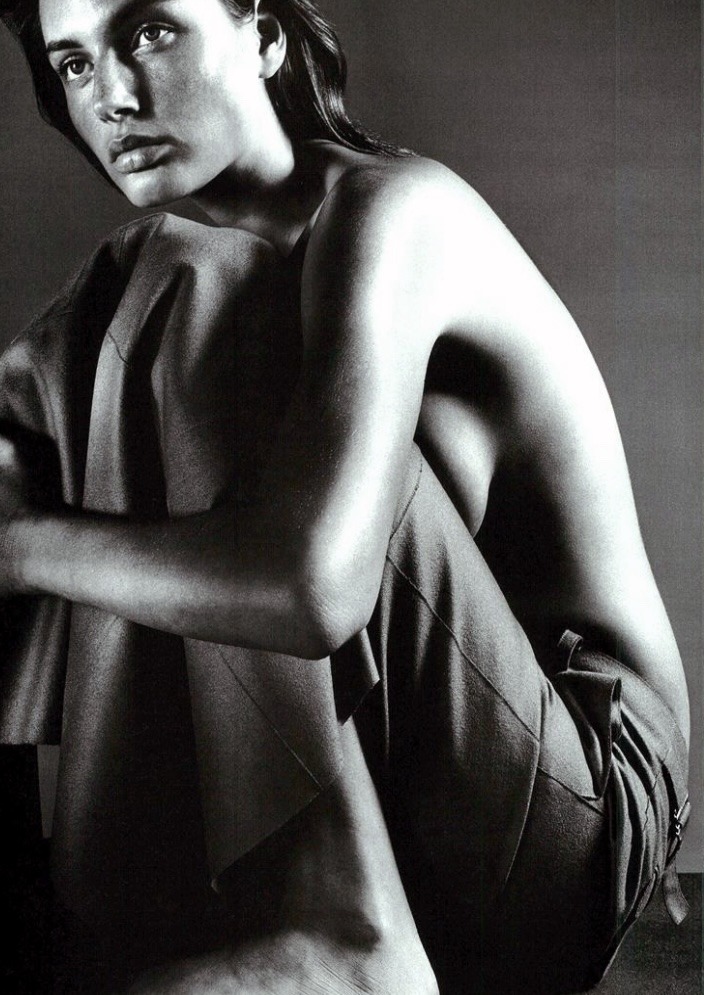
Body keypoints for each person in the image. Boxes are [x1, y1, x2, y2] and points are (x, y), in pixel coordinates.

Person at [0, 0, 691, 992]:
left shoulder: (395, 210)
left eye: (150, 32)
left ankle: (340, 926)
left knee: (192, 279)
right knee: (114, 314)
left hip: (579, 816)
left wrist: (24, 543)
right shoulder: (153, 286)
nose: (110, 94)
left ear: (263, 36)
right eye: (73, 65)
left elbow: (313, 588)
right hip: (430, 817)